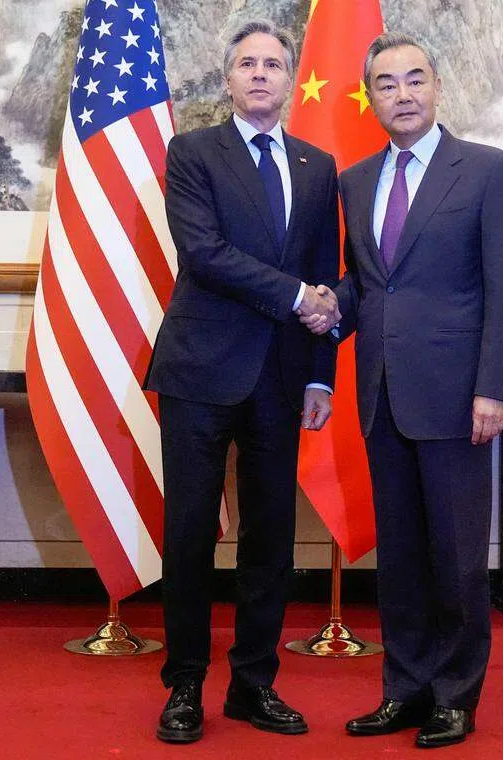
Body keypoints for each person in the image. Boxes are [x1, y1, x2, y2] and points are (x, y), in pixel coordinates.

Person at [302, 32, 503, 749]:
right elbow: (368, 288)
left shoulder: (489, 171)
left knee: (457, 557)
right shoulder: (358, 180)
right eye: (387, 84)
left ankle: (456, 697)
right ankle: (403, 691)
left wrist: (493, 387)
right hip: (381, 395)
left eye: (414, 80)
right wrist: (320, 308)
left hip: (460, 398)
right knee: (398, 556)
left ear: (437, 88)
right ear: (370, 98)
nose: (402, 94)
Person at [144, 19, 341, 744]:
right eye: (247, 64)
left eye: (274, 64)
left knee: (272, 542)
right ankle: (185, 685)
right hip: (200, 370)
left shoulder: (318, 167)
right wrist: (297, 299)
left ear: (291, 81)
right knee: (191, 534)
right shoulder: (192, 153)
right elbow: (204, 253)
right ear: (227, 80)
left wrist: (321, 375)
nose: (261, 74)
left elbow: (328, 273)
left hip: (284, 377)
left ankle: (254, 684)